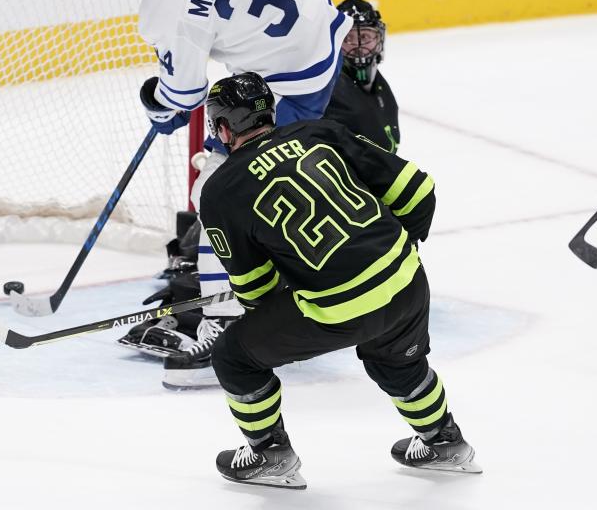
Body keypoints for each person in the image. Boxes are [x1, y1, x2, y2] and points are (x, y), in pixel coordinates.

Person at [101, 0, 353, 388]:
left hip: (293, 85)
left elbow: (183, 94)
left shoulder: (166, 11)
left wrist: (156, 102)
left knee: (219, 191)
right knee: (251, 179)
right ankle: (267, 286)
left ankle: (223, 322)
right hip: (325, 30)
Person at [197, 72, 481, 489]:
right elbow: (418, 191)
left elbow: (256, 291)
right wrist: (391, 251)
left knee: (233, 356)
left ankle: (269, 454)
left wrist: (294, 289)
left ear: (222, 127)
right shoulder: (320, 131)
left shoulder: (219, 190)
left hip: (340, 307)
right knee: (395, 358)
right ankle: (444, 442)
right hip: (407, 278)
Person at [324, 0, 401, 152]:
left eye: (365, 37)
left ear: (379, 39)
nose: (358, 47)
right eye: (348, 38)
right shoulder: (327, 92)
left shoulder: (377, 84)